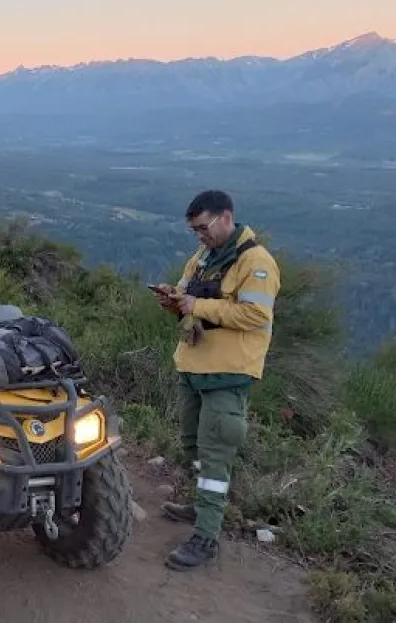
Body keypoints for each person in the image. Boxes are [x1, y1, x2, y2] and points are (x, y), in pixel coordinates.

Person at [151, 189, 281, 572]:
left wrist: (198, 305)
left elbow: (256, 314)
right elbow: (188, 298)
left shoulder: (257, 262)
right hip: (193, 368)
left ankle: (207, 536)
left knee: (216, 454)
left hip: (228, 375)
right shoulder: (202, 258)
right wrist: (175, 300)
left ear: (226, 218)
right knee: (192, 445)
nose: (199, 235)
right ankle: (199, 506)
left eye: (203, 227)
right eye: (194, 230)